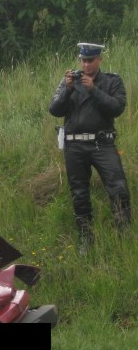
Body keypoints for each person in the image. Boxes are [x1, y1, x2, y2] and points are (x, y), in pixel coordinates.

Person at [49, 43, 130, 252]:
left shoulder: (112, 81)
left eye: (90, 60)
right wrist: (67, 90)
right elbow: (54, 109)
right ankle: (86, 238)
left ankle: (123, 234)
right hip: (75, 145)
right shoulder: (69, 82)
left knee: (118, 187)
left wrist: (93, 90)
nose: (86, 65)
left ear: (99, 60)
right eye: (83, 60)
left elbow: (117, 107)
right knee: (79, 193)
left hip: (102, 143)